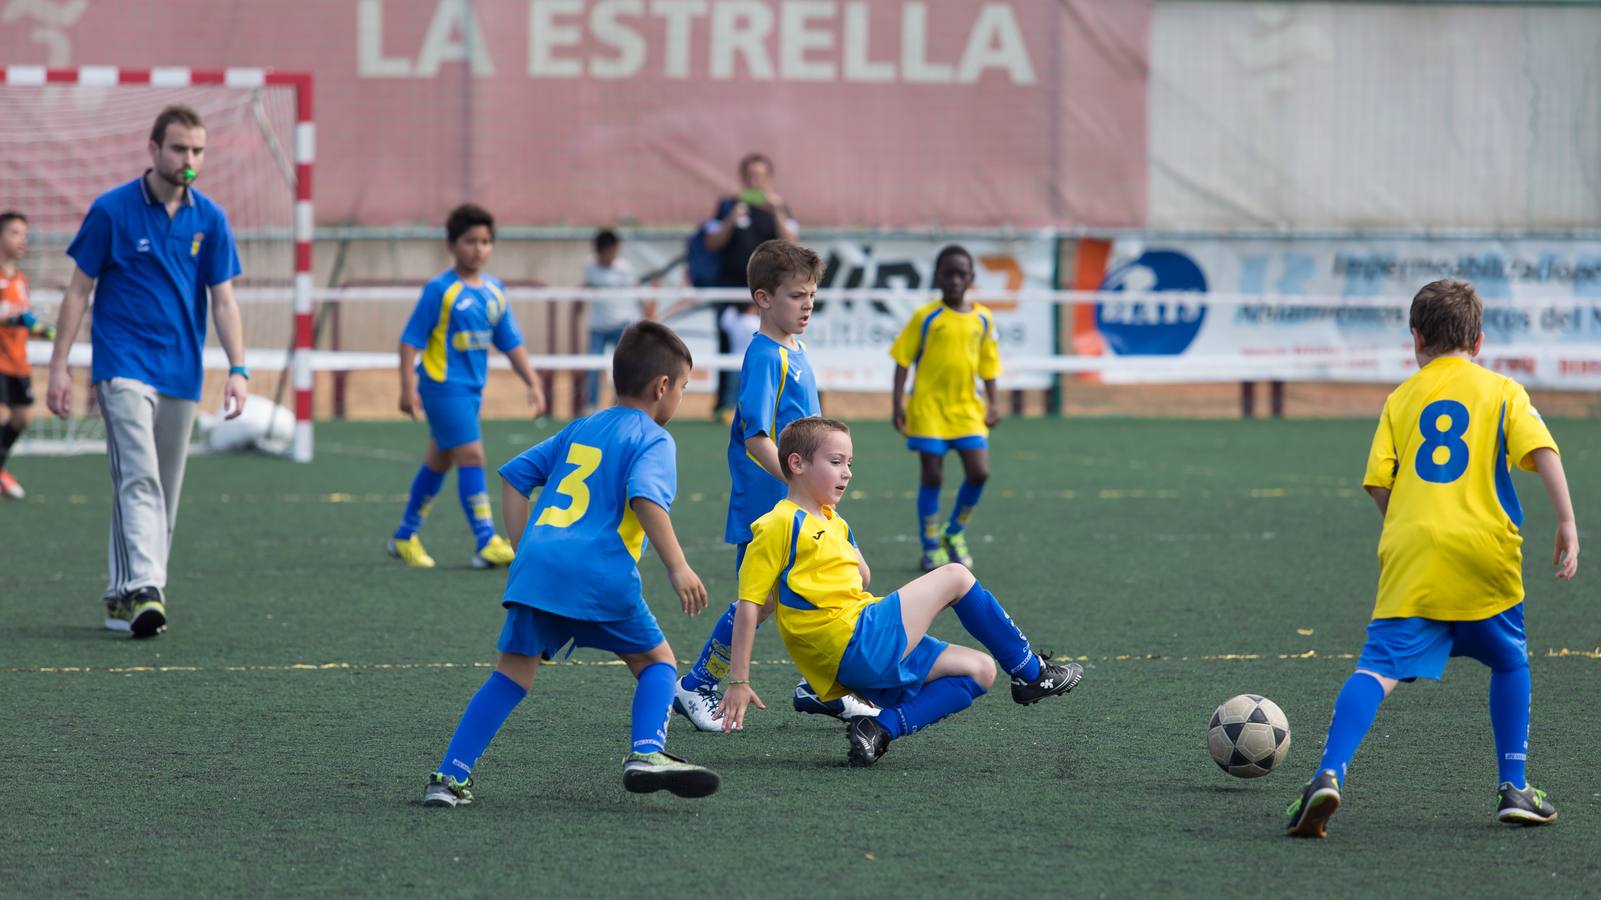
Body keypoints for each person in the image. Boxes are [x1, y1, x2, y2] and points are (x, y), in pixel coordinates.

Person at [1285, 279, 1580, 839]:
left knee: (1377, 667)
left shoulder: (1402, 397)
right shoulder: (1502, 391)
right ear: (1479, 340)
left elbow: (1378, 484)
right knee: (1509, 661)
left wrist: (1410, 529)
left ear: (1416, 339)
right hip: (1485, 549)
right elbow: (1542, 451)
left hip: (1414, 551)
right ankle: (1513, 786)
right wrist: (1567, 522)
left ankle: (1328, 772)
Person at [423, 320, 720, 807]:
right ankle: (647, 752)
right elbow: (646, 498)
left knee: (510, 676)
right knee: (657, 663)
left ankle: (449, 777)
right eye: (684, 388)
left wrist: (526, 550)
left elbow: (516, 476)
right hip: (600, 574)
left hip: (538, 570)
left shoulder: (582, 426)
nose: (681, 398)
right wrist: (678, 566)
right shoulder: (654, 438)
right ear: (661, 387)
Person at [717, 417, 1083, 766]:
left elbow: (862, 578)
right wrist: (738, 680)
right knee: (955, 575)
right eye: (835, 461)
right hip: (851, 640)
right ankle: (1031, 673)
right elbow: (750, 606)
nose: (846, 472)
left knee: (981, 670)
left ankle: (879, 728)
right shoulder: (778, 522)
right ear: (796, 464)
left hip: (857, 653)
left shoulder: (832, 520)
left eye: (850, 463)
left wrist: (842, 539)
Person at [45, 105, 249, 639]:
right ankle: (146, 588)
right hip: (122, 364)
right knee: (138, 474)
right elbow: (77, 291)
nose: (189, 160)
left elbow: (224, 302)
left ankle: (121, 597)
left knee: (166, 488)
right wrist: (59, 367)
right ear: (154, 149)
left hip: (181, 369)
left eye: (198, 151)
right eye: (179, 148)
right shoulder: (111, 211)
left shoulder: (211, 219)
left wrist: (239, 368)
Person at [670, 240, 873, 731]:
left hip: (803, 503)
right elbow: (754, 435)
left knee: (840, 583)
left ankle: (820, 685)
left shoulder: (795, 350)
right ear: (763, 299)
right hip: (771, 508)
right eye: (796, 296)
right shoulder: (765, 356)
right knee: (757, 605)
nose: (807, 305)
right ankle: (696, 685)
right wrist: (797, 483)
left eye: (812, 296)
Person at [389, 204, 545, 570]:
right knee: (472, 456)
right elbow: (409, 341)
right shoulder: (440, 290)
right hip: (442, 387)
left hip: (471, 392)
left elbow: (510, 341)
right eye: (471, 241)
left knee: (439, 461)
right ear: (452, 244)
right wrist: (406, 387)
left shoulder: (495, 291)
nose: (479, 249)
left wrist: (533, 383)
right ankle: (486, 540)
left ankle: (404, 534)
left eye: (486, 241)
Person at [888, 245, 1002, 572]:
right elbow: (902, 359)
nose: (954, 280)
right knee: (933, 475)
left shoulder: (983, 317)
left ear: (971, 278)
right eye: (947, 273)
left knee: (980, 471)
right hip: (928, 409)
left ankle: (955, 532)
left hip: (967, 408)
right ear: (937, 276)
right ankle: (930, 545)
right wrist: (898, 404)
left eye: (961, 274)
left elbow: (989, 364)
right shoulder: (926, 317)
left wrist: (994, 402)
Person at [702, 153, 799, 418]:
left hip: (768, 294)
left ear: (769, 179)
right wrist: (732, 219)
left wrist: (776, 209)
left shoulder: (779, 207)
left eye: (761, 176)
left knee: (771, 346)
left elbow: (791, 242)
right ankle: (725, 404)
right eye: (751, 176)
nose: (755, 181)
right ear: (743, 178)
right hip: (731, 290)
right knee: (727, 347)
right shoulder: (727, 206)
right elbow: (711, 243)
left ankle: (771, 405)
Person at [0, 210, 52, 499]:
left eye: (25, 235)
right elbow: (9, 316)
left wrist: (41, 330)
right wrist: (15, 318)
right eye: (15, 233)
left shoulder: (20, 280)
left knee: (21, 418)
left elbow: (23, 319)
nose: (22, 240)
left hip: (18, 363)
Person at [582, 228, 638, 413]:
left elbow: (640, 295)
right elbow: (585, 288)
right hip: (597, 325)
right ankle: (591, 406)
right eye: (607, 252)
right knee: (593, 368)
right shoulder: (589, 266)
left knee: (623, 368)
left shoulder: (625, 269)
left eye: (613, 251)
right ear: (598, 251)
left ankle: (620, 405)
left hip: (621, 324)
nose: (610, 256)